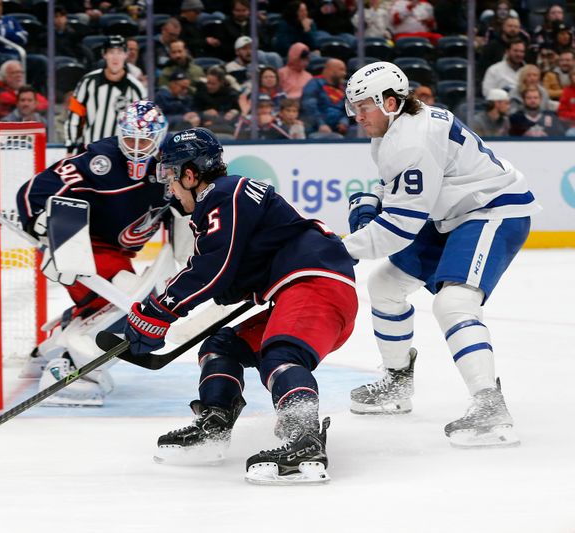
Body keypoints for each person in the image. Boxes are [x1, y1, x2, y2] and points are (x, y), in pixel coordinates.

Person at [122, 127, 357, 484]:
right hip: (300, 290)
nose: (169, 187)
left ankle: (305, 441)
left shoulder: (223, 193)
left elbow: (211, 268)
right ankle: (215, 423)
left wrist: (157, 312)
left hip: (315, 285)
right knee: (221, 347)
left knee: (281, 355)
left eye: (171, 175)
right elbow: (230, 275)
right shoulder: (226, 197)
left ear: (190, 174)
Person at [343, 61, 540, 448]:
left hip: (491, 211)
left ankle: (489, 403)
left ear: (390, 101)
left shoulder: (411, 138)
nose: (357, 115)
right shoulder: (393, 131)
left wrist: (338, 248)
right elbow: (396, 191)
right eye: (354, 106)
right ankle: (397, 382)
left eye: (364, 105)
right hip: (452, 213)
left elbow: (399, 229)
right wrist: (371, 200)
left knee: (454, 303)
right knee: (384, 285)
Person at [16, 101, 172, 406]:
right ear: (119, 135)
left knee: (123, 299)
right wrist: (39, 220)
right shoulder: (101, 161)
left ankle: (55, 342)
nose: (138, 149)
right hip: (83, 248)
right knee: (130, 300)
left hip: (115, 252)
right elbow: (33, 189)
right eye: (130, 139)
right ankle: (69, 370)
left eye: (145, 141)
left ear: (160, 137)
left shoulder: (168, 167)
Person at [64, 36, 147, 154]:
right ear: (104, 54)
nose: (115, 57)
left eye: (119, 52)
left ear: (126, 55)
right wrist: (70, 147)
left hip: (120, 155)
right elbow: (75, 115)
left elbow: (142, 124)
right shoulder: (88, 81)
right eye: (111, 52)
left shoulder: (136, 88)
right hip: (88, 151)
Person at [300, 57, 349, 135]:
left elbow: (347, 110)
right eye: (341, 69)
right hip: (315, 128)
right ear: (330, 70)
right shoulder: (314, 83)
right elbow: (309, 106)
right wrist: (321, 124)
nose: (344, 73)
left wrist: (344, 122)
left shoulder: (344, 89)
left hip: (338, 130)